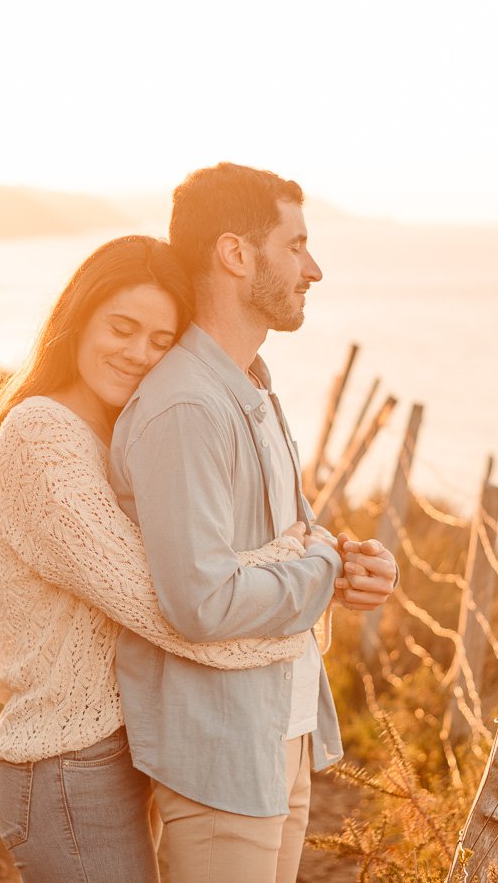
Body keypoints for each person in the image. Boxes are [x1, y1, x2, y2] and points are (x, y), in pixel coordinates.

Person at [0, 234, 343, 882]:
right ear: (78, 316)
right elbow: (174, 606)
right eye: (122, 327)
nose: (138, 353)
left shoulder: (119, 428)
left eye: (161, 340)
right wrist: (306, 576)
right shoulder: (43, 435)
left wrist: (307, 570)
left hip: (129, 752)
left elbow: (205, 574)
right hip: (64, 766)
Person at [110, 162, 399, 883]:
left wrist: (351, 561)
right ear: (235, 254)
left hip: (280, 725)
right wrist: (324, 571)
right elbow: (201, 598)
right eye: (296, 244)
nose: (315, 268)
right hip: (219, 752)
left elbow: (292, 541)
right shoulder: (186, 408)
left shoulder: (253, 388)